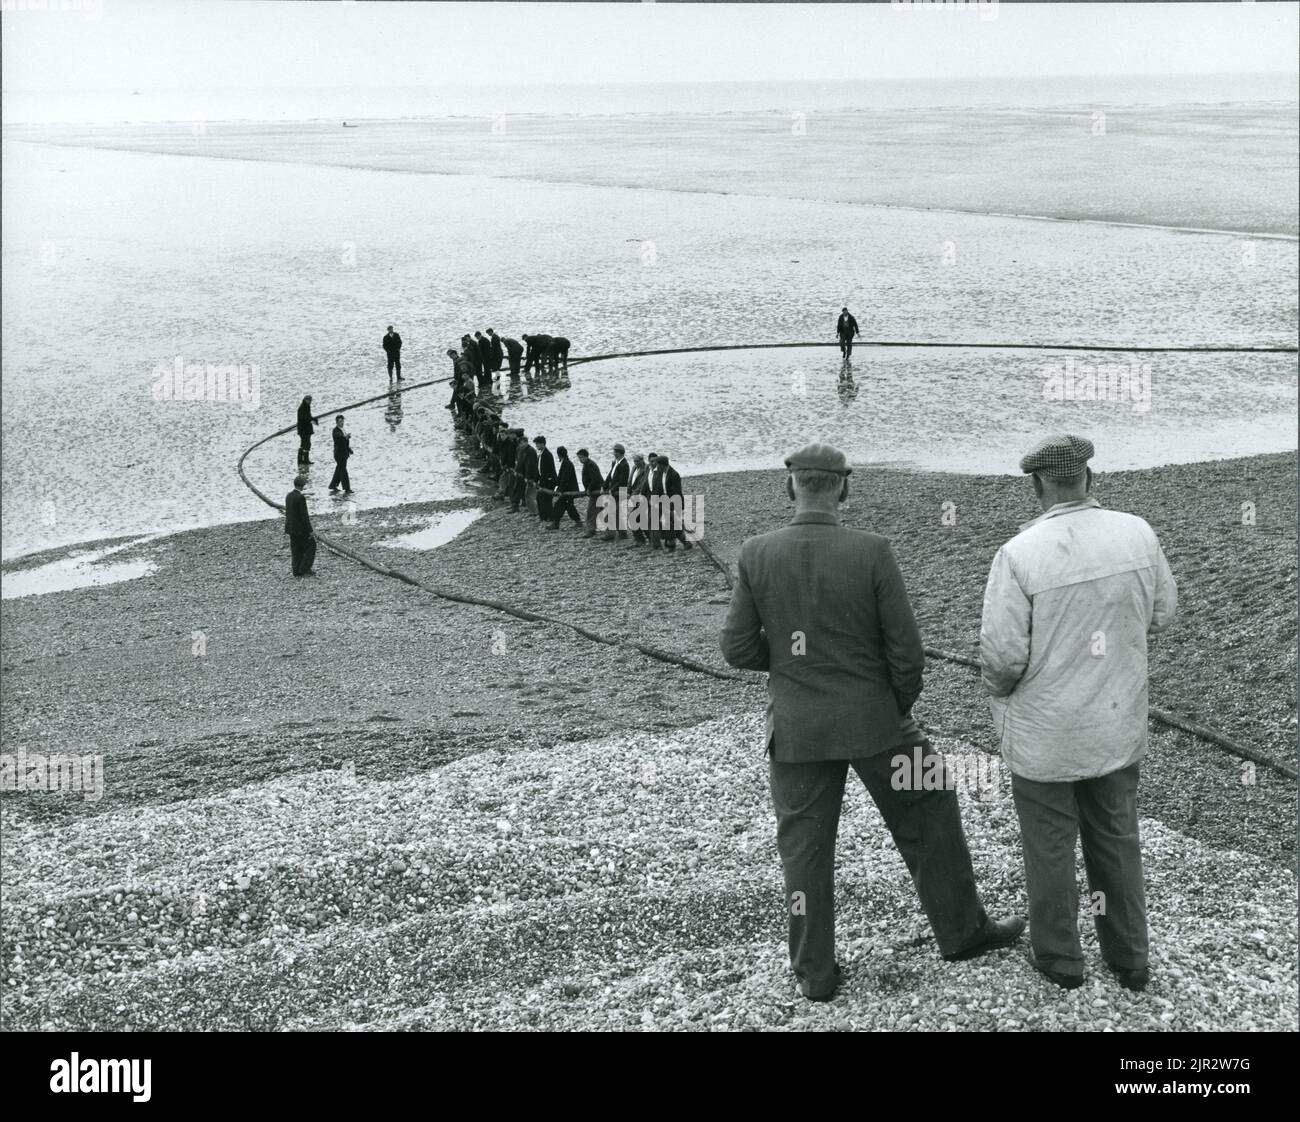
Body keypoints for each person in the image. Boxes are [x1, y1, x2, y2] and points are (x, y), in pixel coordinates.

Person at [720, 443, 1024, 1001]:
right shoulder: (872, 551)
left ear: (790, 488)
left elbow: (737, 647)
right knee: (930, 808)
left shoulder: (755, 552)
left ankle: (815, 972)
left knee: (805, 852)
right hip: (877, 722)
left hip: (797, 729)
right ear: (844, 488)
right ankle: (962, 932)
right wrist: (894, 707)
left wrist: (791, 662)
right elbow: (907, 653)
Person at [980, 434, 1177, 994]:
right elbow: (1163, 613)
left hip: (1047, 731)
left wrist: (1005, 694)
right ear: (1089, 477)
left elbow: (1001, 658)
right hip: (1116, 718)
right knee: (1116, 835)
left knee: (1049, 843)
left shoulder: (1019, 553)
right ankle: (1130, 956)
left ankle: (1062, 959)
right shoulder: (1136, 532)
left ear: (1038, 484)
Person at [658, 454, 693, 551]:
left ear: (662, 465)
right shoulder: (662, 474)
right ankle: (683, 543)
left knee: (671, 524)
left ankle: (673, 545)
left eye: (658, 465)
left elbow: (677, 493)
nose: (657, 467)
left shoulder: (674, 475)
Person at [284, 474, 316, 576]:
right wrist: (310, 531)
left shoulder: (288, 495)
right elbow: (304, 516)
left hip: (291, 528)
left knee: (296, 550)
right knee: (311, 545)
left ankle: (296, 570)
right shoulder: (301, 497)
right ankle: (305, 568)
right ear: (302, 486)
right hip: (300, 530)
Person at [548, 446, 582, 530]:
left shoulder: (566, 463)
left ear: (559, 455)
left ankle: (556, 523)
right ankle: (577, 521)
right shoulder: (566, 462)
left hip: (568, 490)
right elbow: (561, 478)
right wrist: (554, 482)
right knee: (568, 506)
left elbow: (565, 479)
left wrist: (559, 490)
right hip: (568, 489)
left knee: (559, 505)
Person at [602, 442, 630, 541]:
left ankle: (621, 533)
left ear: (619, 453)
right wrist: (604, 485)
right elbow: (610, 475)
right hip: (613, 491)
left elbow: (622, 481)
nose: (613, 454)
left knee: (618, 513)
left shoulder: (625, 465)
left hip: (620, 491)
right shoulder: (615, 462)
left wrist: (612, 489)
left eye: (615, 452)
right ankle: (611, 534)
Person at [577, 448, 603, 538]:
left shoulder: (590, 464)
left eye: (581, 457)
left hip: (596, 491)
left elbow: (595, 479)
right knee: (601, 510)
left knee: (591, 511)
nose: (580, 459)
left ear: (585, 456)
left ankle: (591, 530)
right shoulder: (587, 464)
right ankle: (608, 529)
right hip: (596, 490)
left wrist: (589, 489)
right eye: (579, 458)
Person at [626, 452, 650, 546]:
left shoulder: (646, 468)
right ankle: (643, 539)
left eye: (637, 461)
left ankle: (642, 539)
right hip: (633, 495)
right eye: (634, 461)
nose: (635, 463)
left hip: (641, 496)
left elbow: (642, 484)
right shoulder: (634, 468)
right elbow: (630, 481)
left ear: (642, 460)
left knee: (635, 518)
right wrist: (628, 491)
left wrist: (633, 494)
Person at [534, 435, 556, 523]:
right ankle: (543, 516)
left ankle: (549, 517)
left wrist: (541, 483)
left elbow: (546, 472)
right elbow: (539, 470)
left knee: (546, 498)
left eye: (537, 444)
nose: (536, 446)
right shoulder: (541, 454)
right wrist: (536, 480)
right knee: (540, 497)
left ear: (542, 444)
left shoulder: (547, 455)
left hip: (549, 481)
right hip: (544, 480)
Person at [329, 414, 353, 494]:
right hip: (339, 455)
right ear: (337, 422)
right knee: (343, 471)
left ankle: (333, 485)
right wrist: (345, 437)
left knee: (339, 469)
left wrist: (349, 449)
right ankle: (347, 488)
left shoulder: (342, 429)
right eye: (340, 421)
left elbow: (344, 442)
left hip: (343, 453)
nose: (342, 423)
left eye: (342, 421)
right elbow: (339, 438)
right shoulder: (335, 430)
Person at [296, 395, 317, 466]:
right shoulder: (302, 408)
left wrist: (313, 419)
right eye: (309, 400)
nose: (310, 402)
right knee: (306, 444)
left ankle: (301, 460)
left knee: (304, 444)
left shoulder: (306, 406)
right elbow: (304, 418)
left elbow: (308, 416)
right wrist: (311, 420)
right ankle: (305, 460)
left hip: (304, 430)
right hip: (304, 430)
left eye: (311, 401)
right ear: (306, 400)